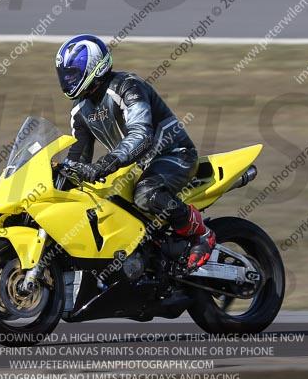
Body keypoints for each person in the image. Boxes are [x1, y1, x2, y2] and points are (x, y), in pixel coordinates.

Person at [55, 34, 216, 270]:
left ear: (93, 67)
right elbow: (78, 155)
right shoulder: (79, 109)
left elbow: (141, 135)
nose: (67, 80)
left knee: (145, 193)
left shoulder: (128, 86)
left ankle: (200, 234)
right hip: (133, 167)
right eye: (64, 75)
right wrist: (61, 174)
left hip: (172, 154)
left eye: (72, 74)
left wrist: (107, 163)